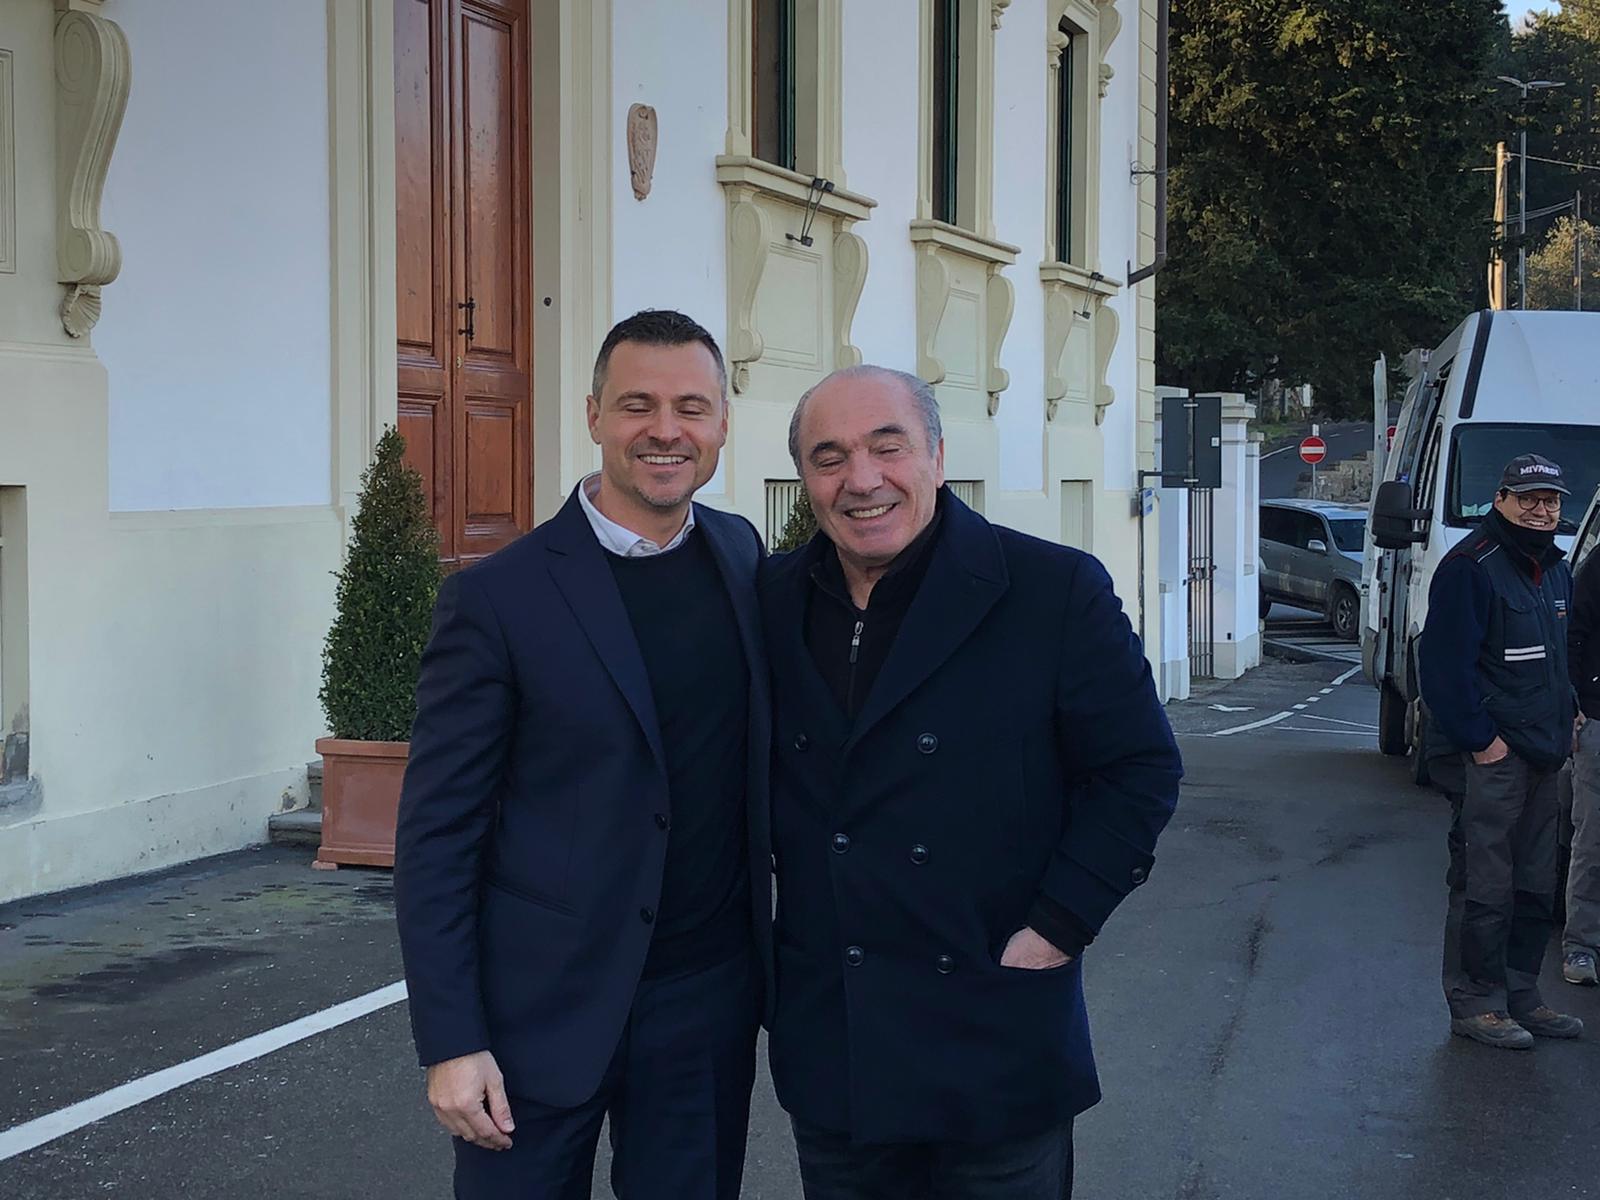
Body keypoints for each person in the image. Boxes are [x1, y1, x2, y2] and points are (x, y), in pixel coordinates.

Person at [759, 364, 1183, 1198]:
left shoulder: (1051, 589)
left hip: (994, 1026)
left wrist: (1059, 925)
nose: (861, 480)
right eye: (829, 457)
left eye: (888, 447)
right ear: (804, 477)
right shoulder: (772, 597)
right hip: (838, 1038)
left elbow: (1138, 768)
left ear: (939, 455)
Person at [394, 310, 772, 1198]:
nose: (666, 430)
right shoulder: (498, 598)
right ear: (595, 413)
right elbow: (438, 835)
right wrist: (451, 1040)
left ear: (722, 423)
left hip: (703, 1004)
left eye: (691, 407)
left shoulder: (742, 553)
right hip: (537, 1013)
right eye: (638, 405)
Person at [1420, 453, 1581, 1050]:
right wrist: (1482, 743)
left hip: (1545, 753)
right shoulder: (1471, 567)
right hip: (1494, 759)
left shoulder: (1556, 570)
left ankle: (1522, 995)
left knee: (1536, 883)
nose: (1542, 510)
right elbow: (1442, 670)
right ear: (1501, 500)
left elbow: (1560, 658)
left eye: (1551, 500)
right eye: (1529, 499)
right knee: (1484, 884)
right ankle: (1476, 1002)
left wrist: (1570, 715)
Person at [1560, 513, 1600, 985]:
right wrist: (1573, 705)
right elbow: (1570, 637)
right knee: (1593, 839)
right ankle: (1582, 948)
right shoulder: (1597, 567)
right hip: (1597, 718)